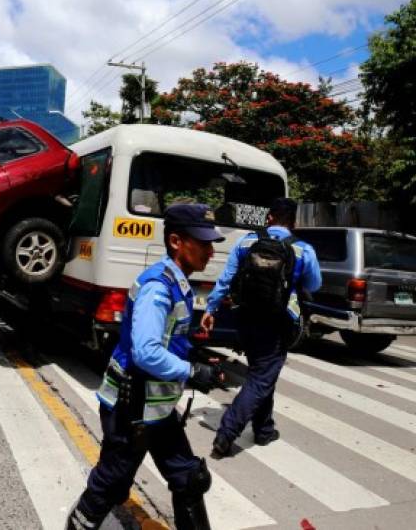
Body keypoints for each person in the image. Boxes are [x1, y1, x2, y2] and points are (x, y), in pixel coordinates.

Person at [67, 204, 226, 530]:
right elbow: (147, 352)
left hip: (156, 406)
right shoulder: (158, 286)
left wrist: (193, 355)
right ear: (176, 241)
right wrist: (192, 372)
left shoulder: (177, 281)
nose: (210, 251)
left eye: (212, 243)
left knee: (189, 478)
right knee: (111, 484)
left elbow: (166, 339)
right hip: (132, 407)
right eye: (203, 242)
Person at [200, 198, 321, 458]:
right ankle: (227, 433)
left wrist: (210, 309)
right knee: (262, 376)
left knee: (262, 373)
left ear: (269, 218)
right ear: (293, 222)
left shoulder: (245, 242)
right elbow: (314, 284)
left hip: (244, 319)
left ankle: (264, 429)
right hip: (278, 322)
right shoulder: (302, 250)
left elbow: (225, 279)